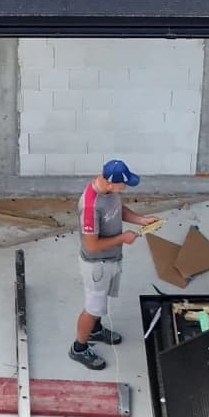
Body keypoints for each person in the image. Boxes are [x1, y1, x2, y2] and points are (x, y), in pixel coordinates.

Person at [69, 159, 147, 371]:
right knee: (93, 308)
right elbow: (92, 245)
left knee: (100, 303)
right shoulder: (89, 206)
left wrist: (141, 220)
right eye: (124, 184)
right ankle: (79, 348)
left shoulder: (110, 192)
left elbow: (118, 209)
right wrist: (123, 238)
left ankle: (95, 330)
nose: (126, 187)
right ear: (111, 182)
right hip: (97, 265)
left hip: (111, 259)